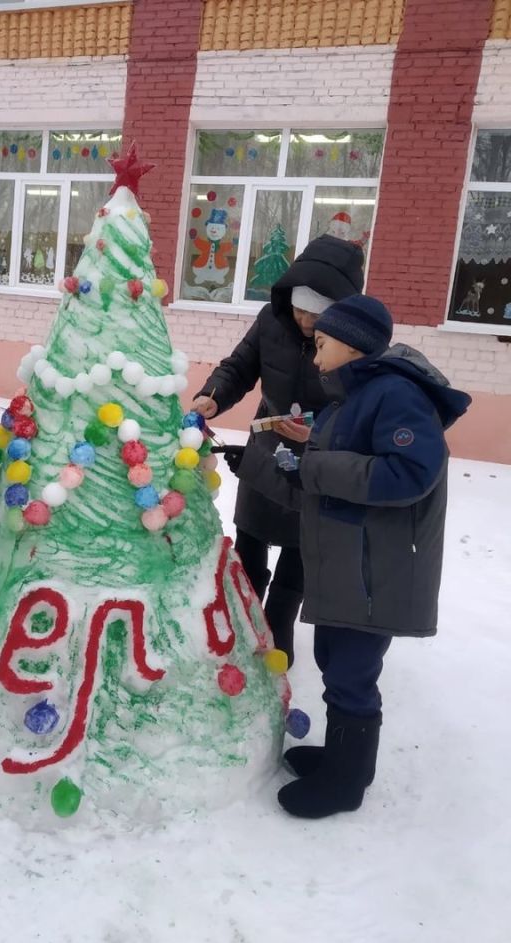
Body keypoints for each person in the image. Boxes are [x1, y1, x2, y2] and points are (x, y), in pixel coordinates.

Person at [236, 294, 471, 818]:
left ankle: (344, 784)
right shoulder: (353, 399)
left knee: (351, 671)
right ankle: (347, 761)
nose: (315, 359)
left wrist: (316, 468)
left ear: (352, 343)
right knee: (334, 661)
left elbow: (409, 473)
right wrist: (269, 462)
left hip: (376, 569)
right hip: (351, 565)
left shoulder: (397, 396)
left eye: (321, 345)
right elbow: (330, 473)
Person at [192, 235, 364, 666]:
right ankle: (246, 619)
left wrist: (320, 433)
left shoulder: (353, 341)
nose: (305, 319)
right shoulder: (272, 319)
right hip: (267, 446)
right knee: (251, 535)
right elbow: (240, 365)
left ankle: (280, 621)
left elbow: (362, 406)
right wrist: (213, 395)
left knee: (301, 547)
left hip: (317, 456)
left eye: (316, 312)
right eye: (299, 308)